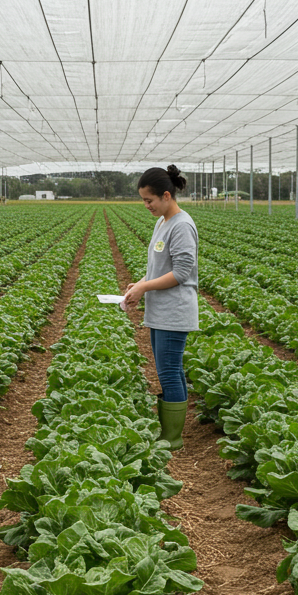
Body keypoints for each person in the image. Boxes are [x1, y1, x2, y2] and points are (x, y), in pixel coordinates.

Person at [122, 165, 198, 447]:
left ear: (166, 195)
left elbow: (181, 273)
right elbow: (157, 268)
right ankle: (170, 433)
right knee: (171, 369)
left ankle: (172, 438)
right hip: (161, 310)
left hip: (175, 311)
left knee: (168, 371)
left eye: (149, 200)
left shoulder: (182, 226)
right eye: (144, 200)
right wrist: (139, 285)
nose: (146, 206)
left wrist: (144, 287)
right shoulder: (163, 222)